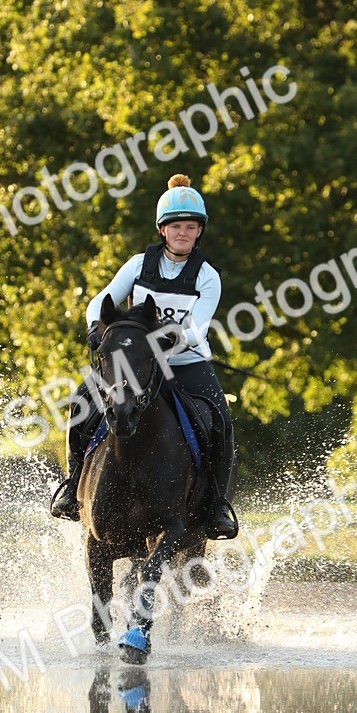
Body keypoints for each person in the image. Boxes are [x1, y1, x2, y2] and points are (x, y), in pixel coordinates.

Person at [50, 173, 238, 540]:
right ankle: (74, 485)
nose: (183, 233)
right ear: (163, 230)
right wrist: (95, 327)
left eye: (190, 227)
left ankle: (216, 507)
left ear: (199, 232)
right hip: (135, 363)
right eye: (176, 227)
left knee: (221, 420)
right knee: (81, 402)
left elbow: (198, 328)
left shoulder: (207, 276)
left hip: (186, 362)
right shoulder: (138, 265)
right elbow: (99, 302)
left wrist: (168, 341)